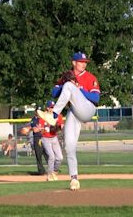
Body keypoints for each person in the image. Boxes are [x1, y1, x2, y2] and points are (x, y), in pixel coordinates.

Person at [38, 52, 100, 190]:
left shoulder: (90, 77)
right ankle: (74, 179)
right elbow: (54, 93)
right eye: (81, 61)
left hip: (88, 108)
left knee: (69, 87)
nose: (84, 64)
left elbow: (96, 99)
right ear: (74, 63)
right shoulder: (67, 76)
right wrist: (64, 83)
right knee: (69, 146)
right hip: (74, 112)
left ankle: (53, 115)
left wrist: (77, 88)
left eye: (85, 62)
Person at [38, 100, 64, 181]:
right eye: (51, 107)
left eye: (53, 107)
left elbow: (61, 126)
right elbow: (41, 130)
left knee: (60, 157)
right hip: (45, 139)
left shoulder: (58, 116)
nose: (52, 109)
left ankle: (54, 172)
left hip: (54, 138)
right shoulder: (43, 117)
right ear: (47, 108)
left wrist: (58, 127)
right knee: (51, 156)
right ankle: (49, 175)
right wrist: (41, 129)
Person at [30, 106, 49, 175]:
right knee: (39, 155)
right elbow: (35, 130)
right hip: (37, 138)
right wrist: (42, 128)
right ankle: (41, 171)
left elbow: (47, 128)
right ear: (36, 112)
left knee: (48, 154)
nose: (39, 113)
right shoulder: (34, 120)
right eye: (38, 111)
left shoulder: (44, 118)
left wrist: (41, 128)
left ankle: (52, 169)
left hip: (45, 138)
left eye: (40, 111)